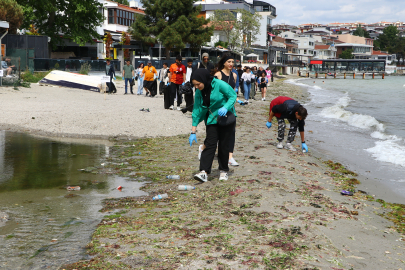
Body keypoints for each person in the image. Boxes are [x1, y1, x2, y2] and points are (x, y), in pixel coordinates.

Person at [189, 69, 237, 182]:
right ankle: (204, 172)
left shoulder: (219, 84)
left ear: (204, 80)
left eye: (198, 84)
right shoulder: (199, 92)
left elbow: (232, 96)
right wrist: (193, 131)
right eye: (194, 85)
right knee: (210, 144)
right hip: (211, 119)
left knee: (224, 145)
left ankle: (224, 170)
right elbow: (196, 110)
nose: (196, 87)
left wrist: (225, 107)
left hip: (225, 118)